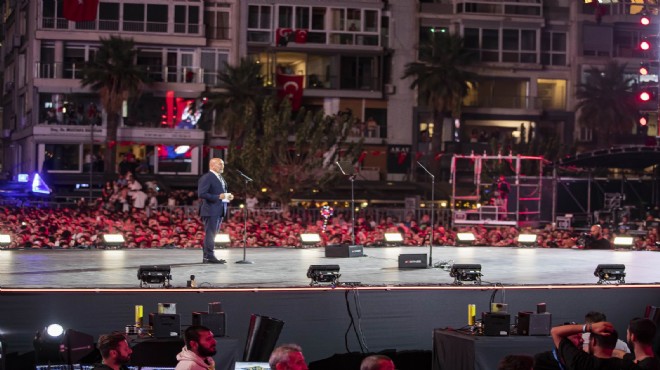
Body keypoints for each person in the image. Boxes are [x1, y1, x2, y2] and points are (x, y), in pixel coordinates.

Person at [198, 158, 232, 264]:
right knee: (211, 234)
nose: (222, 166)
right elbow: (202, 194)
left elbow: (221, 193)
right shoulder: (207, 177)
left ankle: (208, 256)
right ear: (212, 165)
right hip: (210, 210)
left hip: (218, 209)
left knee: (213, 234)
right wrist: (218, 196)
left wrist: (227, 196)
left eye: (223, 164)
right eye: (220, 164)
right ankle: (209, 256)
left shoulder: (219, 177)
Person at [551, 321, 624, 370]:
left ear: (593, 341)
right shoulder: (625, 365)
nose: (582, 340)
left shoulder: (581, 362)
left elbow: (555, 331)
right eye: (578, 337)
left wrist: (590, 327)